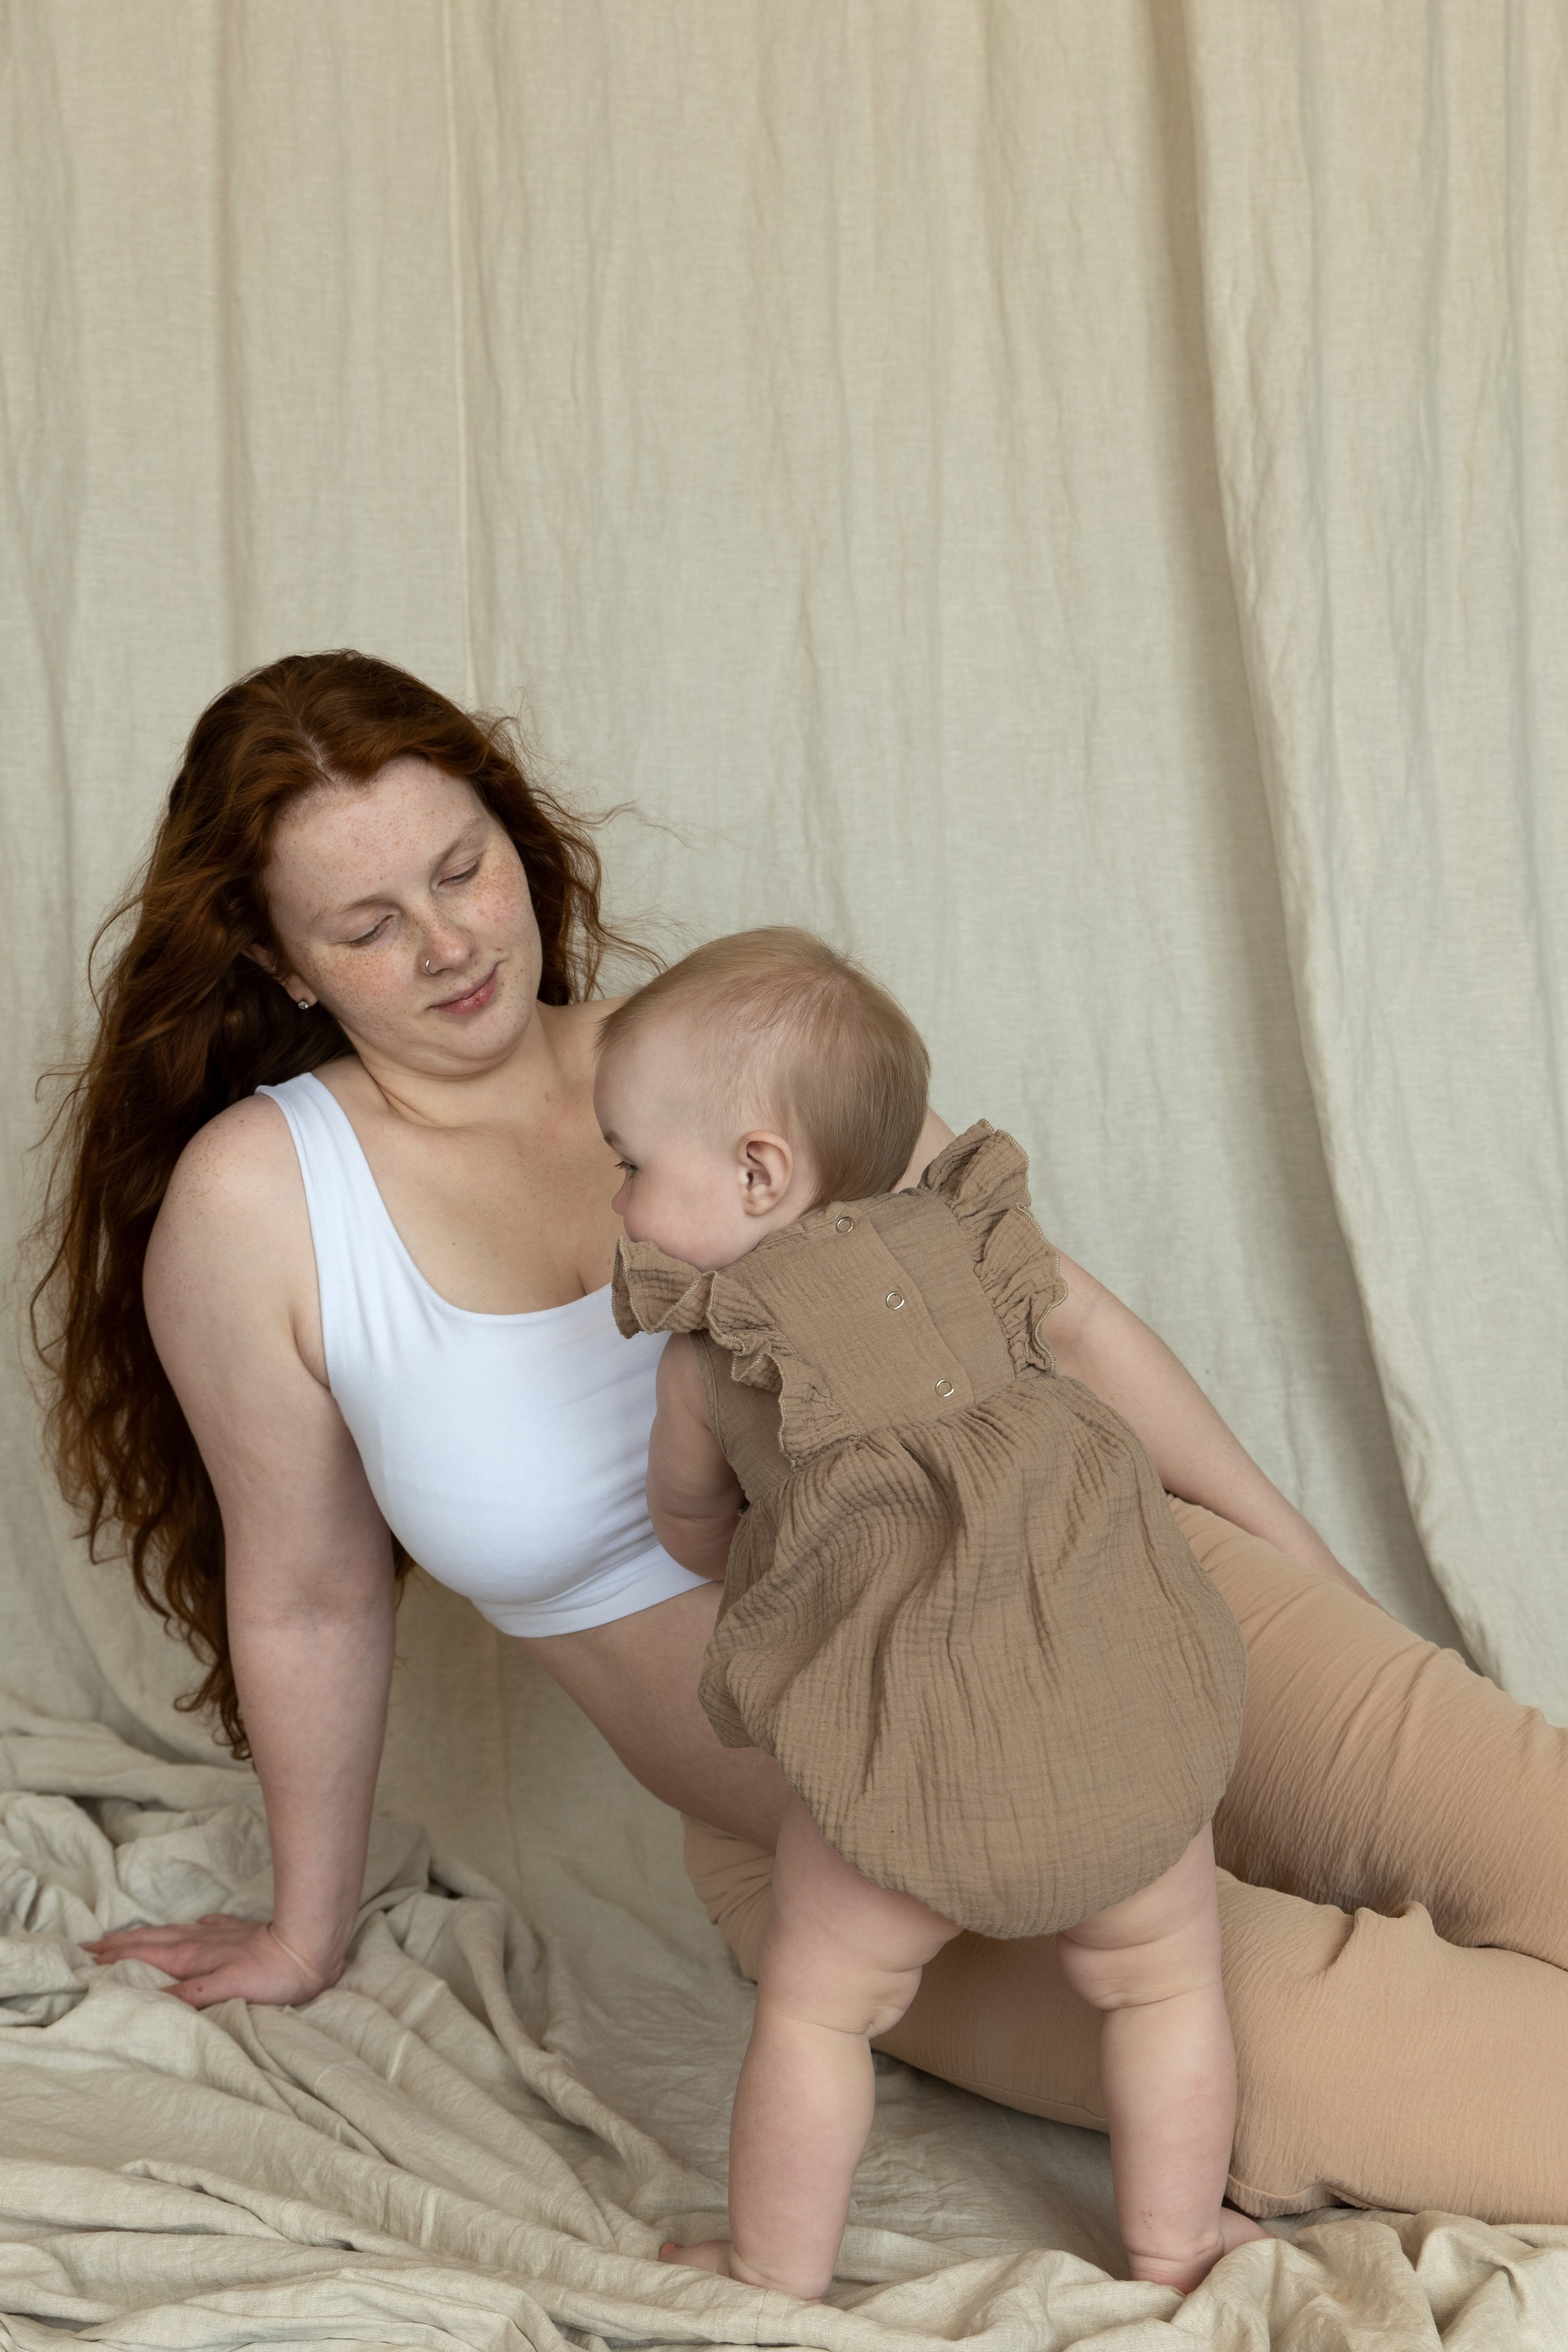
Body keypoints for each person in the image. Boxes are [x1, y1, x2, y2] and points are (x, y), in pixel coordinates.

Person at [42, 650, 1568, 2253]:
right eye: (364, 926)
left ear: (514, 836)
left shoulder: (720, 1057)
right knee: (1378, 2078)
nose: (447, 945)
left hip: (1151, 1608)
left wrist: (1323, 1598)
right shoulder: (263, 1204)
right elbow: (312, 1598)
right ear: (277, 962)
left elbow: (1068, 1322)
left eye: (462, 868)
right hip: (868, 1855)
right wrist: (303, 1927)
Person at [597, 928, 1264, 2295]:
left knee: (817, 2012)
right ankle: (1176, 2241)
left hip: (907, 1761)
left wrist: (762, 1540)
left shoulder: (710, 1353)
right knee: (1164, 1988)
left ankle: (775, 2264)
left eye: (629, 1162)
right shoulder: (974, 1242)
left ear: (755, 1170)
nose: (615, 1196)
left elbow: (682, 1529)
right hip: (1115, 1716)